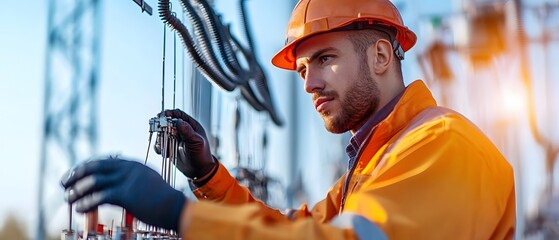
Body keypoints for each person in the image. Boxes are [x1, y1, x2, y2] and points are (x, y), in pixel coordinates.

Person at [60, 0, 516, 239]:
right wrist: (209, 177)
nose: (309, 83)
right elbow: (296, 232)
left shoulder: (444, 145)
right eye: (302, 70)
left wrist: (182, 215)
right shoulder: (377, 162)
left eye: (325, 59)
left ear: (381, 55)